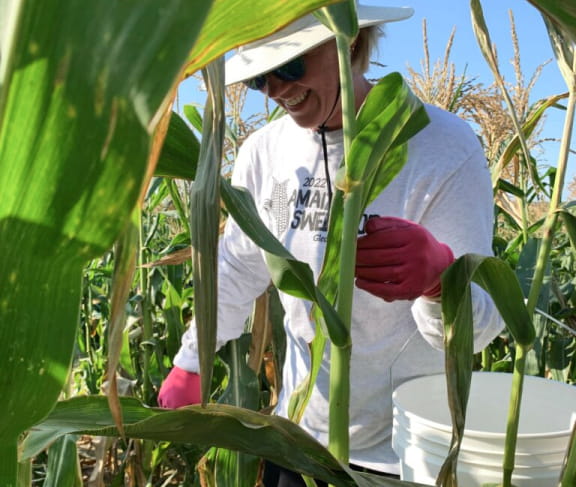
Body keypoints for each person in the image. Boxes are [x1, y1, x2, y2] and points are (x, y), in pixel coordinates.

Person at [159, 3, 504, 485]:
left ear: (352, 41)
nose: (276, 91)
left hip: (404, 455)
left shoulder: (442, 146)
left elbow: (482, 327)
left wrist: (441, 280)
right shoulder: (264, 151)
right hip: (298, 440)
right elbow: (238, 267)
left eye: (289, 66)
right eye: (259, 79)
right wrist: (192, 360)